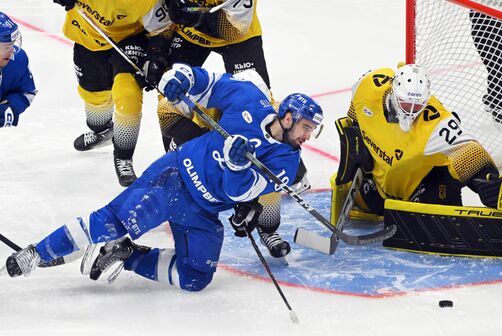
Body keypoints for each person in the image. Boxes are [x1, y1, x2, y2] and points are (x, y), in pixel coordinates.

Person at [1, 64, 324, 292]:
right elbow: (206, 82)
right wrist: (180, 77)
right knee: (110, 221)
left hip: (204, 210)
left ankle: (126, 254)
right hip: (173, 177)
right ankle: (35, 253)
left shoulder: (286, 160)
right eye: (306, 127)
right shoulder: (249, 100)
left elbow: (239, 193)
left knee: (195, 277)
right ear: (288, 116)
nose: (308, 136)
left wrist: (237, 166)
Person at [332, 63, 502, 263]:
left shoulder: (435, 122)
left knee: (436, 225)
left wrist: (493, 186)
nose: (411, 111)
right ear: (393, 92)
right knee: (370, 204)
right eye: (406, 103)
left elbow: (467, 150)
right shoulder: (368, 87)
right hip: (380, 183)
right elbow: (355, 114)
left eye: (418, 106)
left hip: (425, 183)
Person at [142, 0, 296, 259]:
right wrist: (157, 50)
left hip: (237, 34)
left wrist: (194, 15)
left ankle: (268, 226)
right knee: (168, 101)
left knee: (264, 118)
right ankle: (178, 178)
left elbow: (234, 27)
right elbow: (161, 15)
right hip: (189, 35)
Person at [51, 0, 171, 186]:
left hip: (130, 38)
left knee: (128, 93)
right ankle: (102, 130)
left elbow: (162, 28)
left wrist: (156, 56)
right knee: (94, 98)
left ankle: (123, 157)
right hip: (88, 36)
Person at [0, 12, 37, 128]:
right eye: (7, 47)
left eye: (12, 45)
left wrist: (11, 106)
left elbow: (26, 92)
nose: (12, 52)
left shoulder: (18, 61)